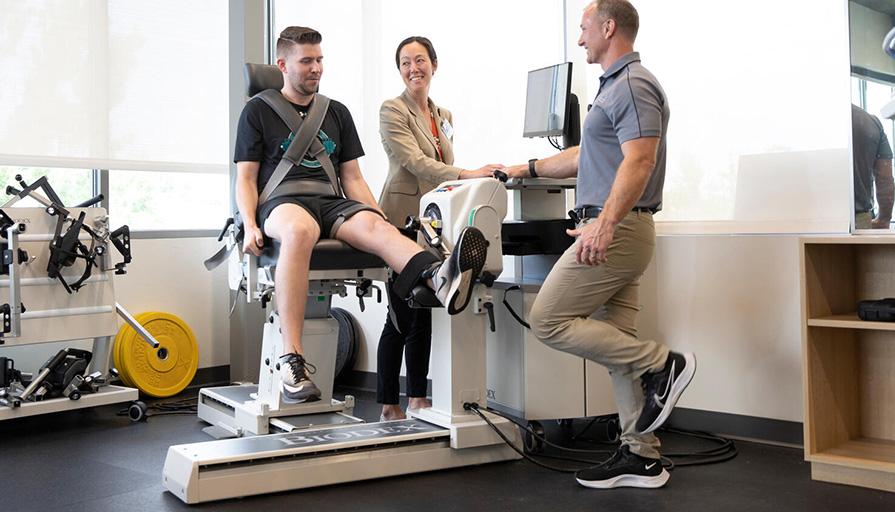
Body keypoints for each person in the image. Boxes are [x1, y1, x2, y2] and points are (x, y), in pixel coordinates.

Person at [235, 26, 487, 404]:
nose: (316, 68)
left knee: (378, 227)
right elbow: (246, 178)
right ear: (282, 65)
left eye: (319, 60)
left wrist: (376, 217)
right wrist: (250, 224)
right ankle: (292, 359)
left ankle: (439, 277)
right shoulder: (257, 111)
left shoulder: (335, 112)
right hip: (283, 201)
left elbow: (351, 178)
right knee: (300, 230)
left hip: (330, 201)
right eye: (306, 61)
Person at [503, 0, 695, 489]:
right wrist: (522, 169)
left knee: (547, 319)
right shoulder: (614, 88)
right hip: (617, 227)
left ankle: (663, 364)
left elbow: (639, 160)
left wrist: (605, 223)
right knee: (618, 347)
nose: (580, 37)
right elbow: (587, 156)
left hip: (619, 230)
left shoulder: (632, 84)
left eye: (585, 27)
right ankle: (641, 455)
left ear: (609, 28)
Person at [375, 36, 503, 421]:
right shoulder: (392, 110)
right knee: (399, 314)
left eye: (420, 60)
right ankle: (388, 403)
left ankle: (417, 397)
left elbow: (443, 170)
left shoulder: (443, 115)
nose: (414, 68)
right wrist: (465, 173)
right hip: (399, 221)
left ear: (434, 64)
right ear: (400, 70)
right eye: (405, 62)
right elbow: (413, 161)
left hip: (433, 224)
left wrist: (469, 182)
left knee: (424, 311)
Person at [851, 104, 895, 229]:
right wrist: (884, 219)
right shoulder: (870, 121)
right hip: (859, 220)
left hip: (811, 219)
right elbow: (885, 178)